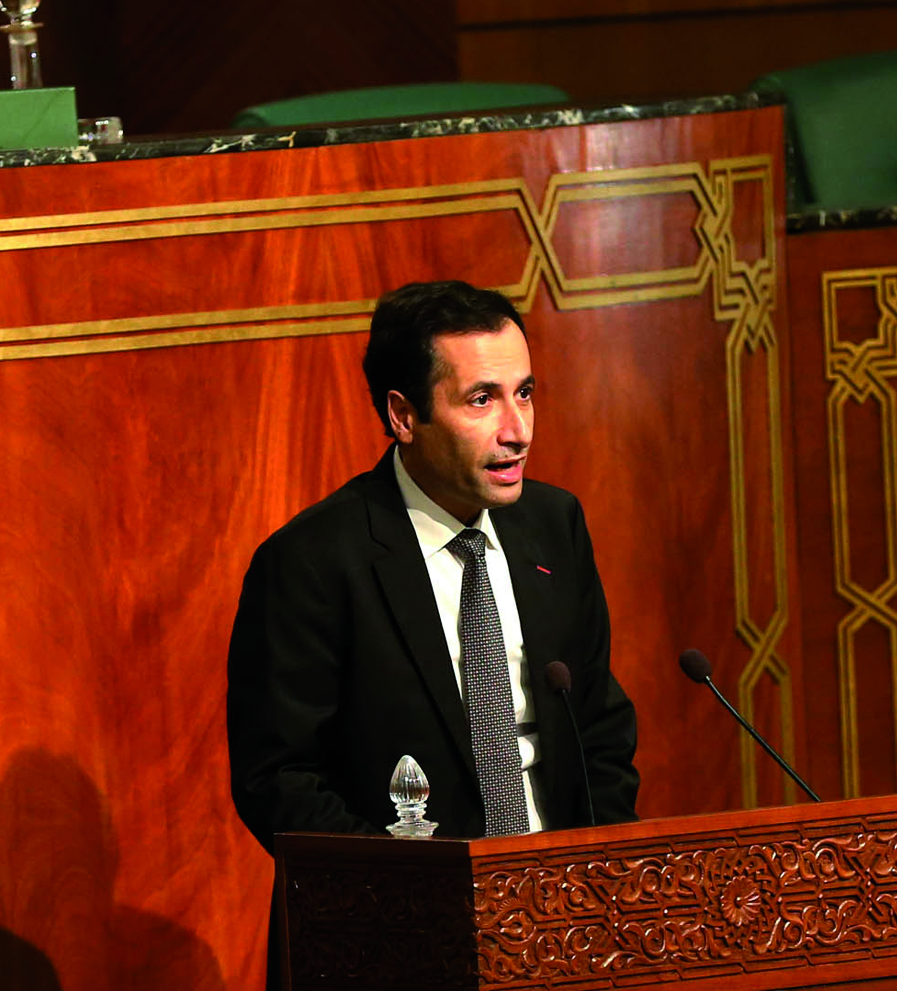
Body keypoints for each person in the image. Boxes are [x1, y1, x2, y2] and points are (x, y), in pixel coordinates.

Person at [226, 279, 639, 859]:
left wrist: (605, 880)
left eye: (524, 393)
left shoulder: (555, 525)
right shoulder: (311, 564)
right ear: (403, 415)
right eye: (481, 400)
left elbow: (598, 730)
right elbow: (279, 781)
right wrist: (414, 894)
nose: (517, 431)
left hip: (560, 904)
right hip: (395, 916)